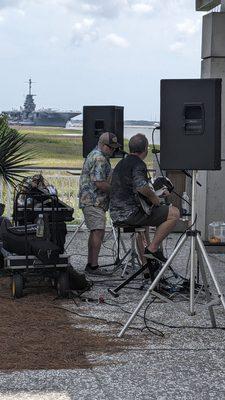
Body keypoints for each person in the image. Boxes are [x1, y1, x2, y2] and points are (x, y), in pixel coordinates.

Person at [109, 133, 180, 276]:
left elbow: (123, 187)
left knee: (146, 225)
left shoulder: (121, 163)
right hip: (130, 214)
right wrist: (155, 198)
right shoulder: (138, 164)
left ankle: (147, 268)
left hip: (116, 214)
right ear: (146, 149)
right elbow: (142, 187)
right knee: (174, 213)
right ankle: (152, 249)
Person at [79, 132, 121, 275]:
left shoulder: (95, 154)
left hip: (90, 201)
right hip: (94, 201)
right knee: (98, 231)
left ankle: (91, 264)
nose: (113, 150)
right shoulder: (99, 158)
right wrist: (116, 191)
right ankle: (94, 266)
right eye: (111, 147)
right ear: (103, 145)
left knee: (95, 232)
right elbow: (99, 183)